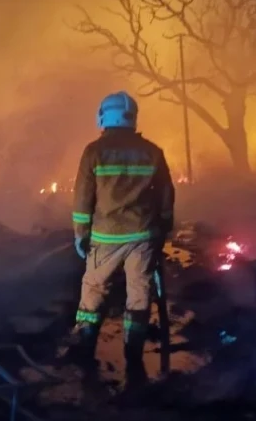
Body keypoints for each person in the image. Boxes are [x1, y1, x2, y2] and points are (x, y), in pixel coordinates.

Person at [65, 91, 175, 388]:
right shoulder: (152, 152)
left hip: (105, 237)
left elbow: (83, 198)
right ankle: (134, 355)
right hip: (143, 237)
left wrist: (80, 233)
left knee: (93, 293)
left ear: (104, 115)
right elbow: (166, 195)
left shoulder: (94, 152)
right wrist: (164, 226)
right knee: (138, 295)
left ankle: (85, 350)